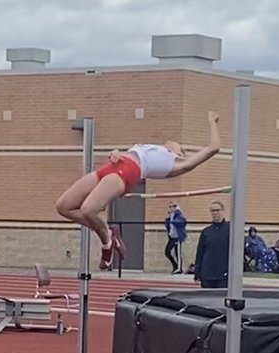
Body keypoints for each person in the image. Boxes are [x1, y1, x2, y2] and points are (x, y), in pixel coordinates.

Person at [56, 111, 221, 271]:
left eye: (176, 145)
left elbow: (214, 148)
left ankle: (107, 241)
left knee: (87, 210)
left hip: (127, 172)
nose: (170, 142)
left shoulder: (180, 163)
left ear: (178, 152)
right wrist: (115, 152)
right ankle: (109, 231)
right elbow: (131, 154)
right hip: (113, 166)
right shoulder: (151, 148)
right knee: (63, 206)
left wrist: (212, 122)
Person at [193, 200, 230, 289]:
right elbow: (200, 253)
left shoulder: (230, 230)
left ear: (223, 211)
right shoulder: (206, 232)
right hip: (207, 276)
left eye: (217, 210)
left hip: (223, 276)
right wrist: (197, 273)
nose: (215, 213)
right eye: (213, 211)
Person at [164, 202, 188, 273]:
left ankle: (179, 269)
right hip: (172, 237)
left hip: (177, 237)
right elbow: (167, 226)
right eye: (170, 206)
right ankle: (175, 265)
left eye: (172, 206)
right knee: (167, 252)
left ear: (175, 207)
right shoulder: (170, 215)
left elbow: (182, 221)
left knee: (177, 252)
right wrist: (167, 219)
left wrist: (173, 221)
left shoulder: (178, 214)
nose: (171, 208)